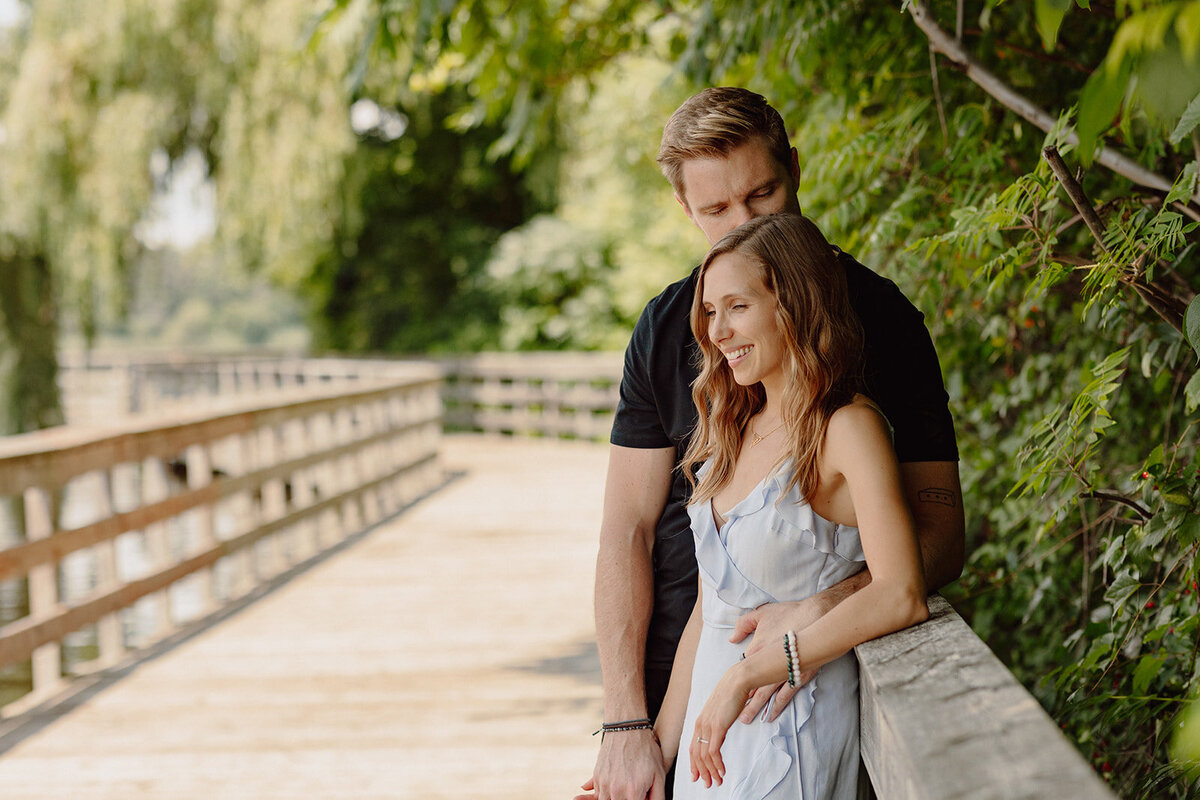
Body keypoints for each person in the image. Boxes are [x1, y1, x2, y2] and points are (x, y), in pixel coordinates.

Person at [579, 88, 963, 800]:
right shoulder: (677, 338)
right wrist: (630, 728)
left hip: (810, 690)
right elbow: (627, 530)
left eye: (763, 193)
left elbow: (934, 532)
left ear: (796, 170)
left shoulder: (884, 328)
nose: (745, 223)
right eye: (717, 210)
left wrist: (828, 607)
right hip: (684, 686)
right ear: (685, 212)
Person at [655, 211, 928, 797]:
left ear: (793, 304)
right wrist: (658, 749)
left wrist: (749, 675)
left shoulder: (847, 428)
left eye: (737, 306)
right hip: (711, 740)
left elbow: (900, 593)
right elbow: (710, 616)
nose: (717, 331)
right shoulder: (729, 428)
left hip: (787, 736)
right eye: (710, 311)